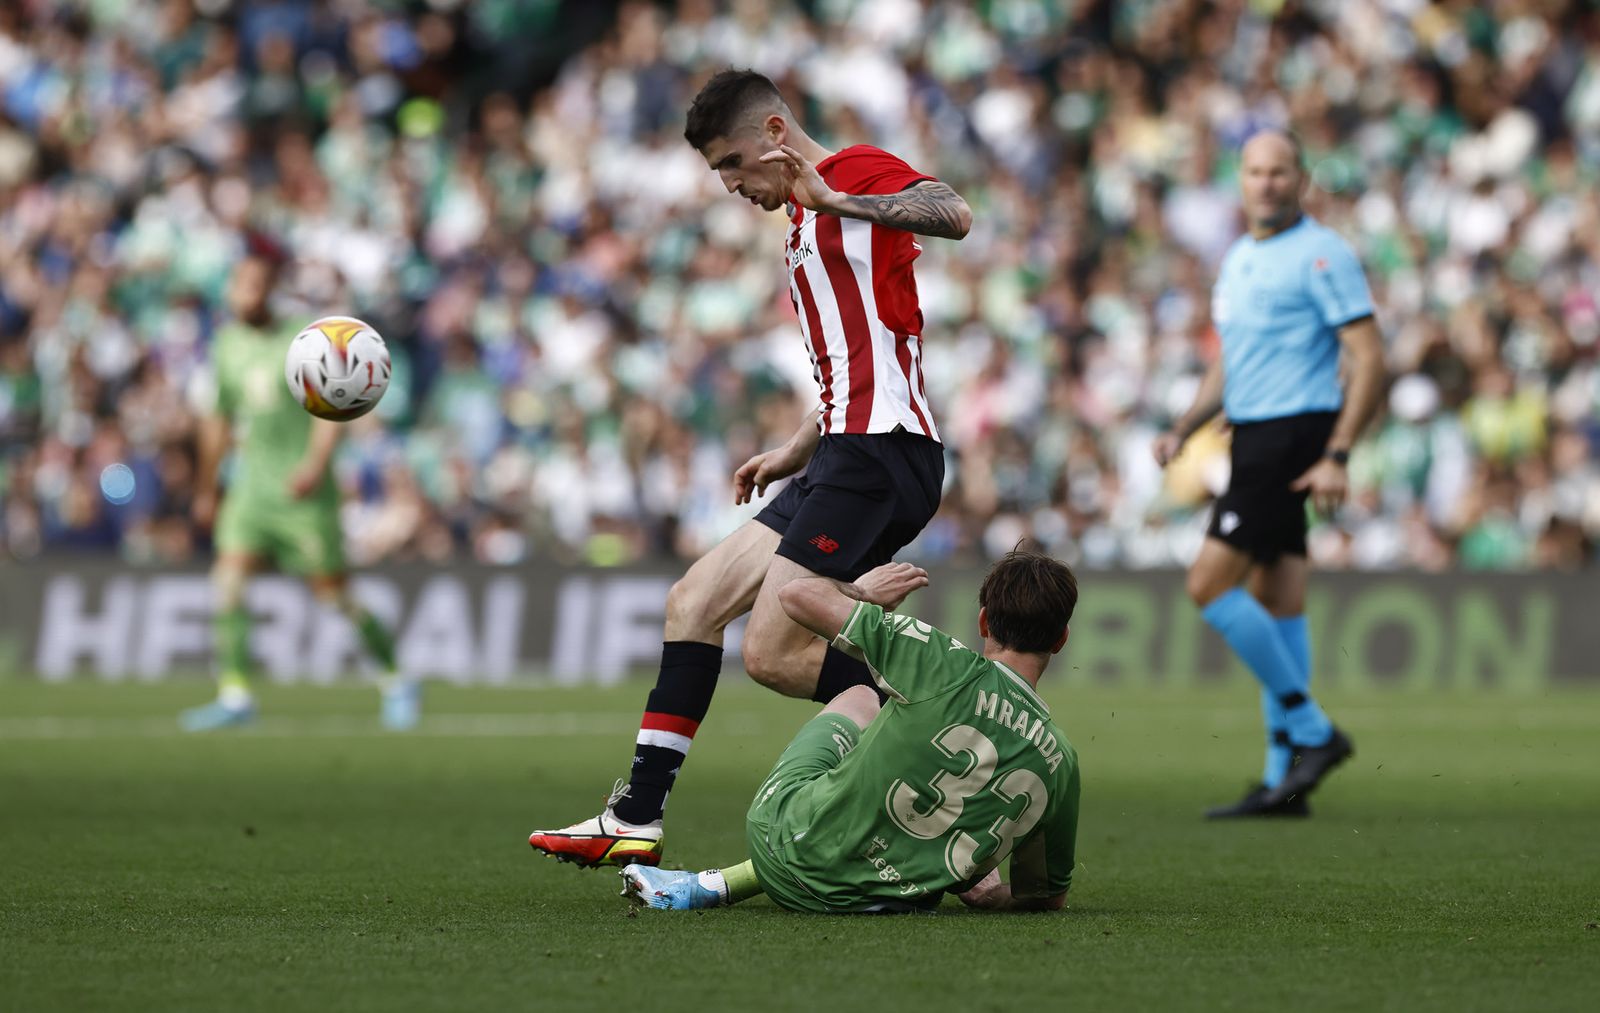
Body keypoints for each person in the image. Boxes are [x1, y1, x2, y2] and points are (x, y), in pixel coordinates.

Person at [528, 69, 972, 866]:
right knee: (693, 600)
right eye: (717, 172)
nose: (730, 184)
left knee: (773, 652)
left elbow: (955, 212)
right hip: (842, 447)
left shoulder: (850, 172)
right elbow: (859, 352)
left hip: (883, 452)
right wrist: (796, 445)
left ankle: (948, 733)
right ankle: (635, 817)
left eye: (732, 163)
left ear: (774, 134)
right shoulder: (803, 218)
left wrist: (841, 200)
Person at [618, 552, 1081, 914]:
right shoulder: (1061, 760)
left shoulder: (943, 661)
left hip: (784, 851)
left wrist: (862, 591)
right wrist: (989, 894)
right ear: (1061, 639)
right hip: (898, 901)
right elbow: (1045, 896)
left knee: (861, 697)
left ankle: (721, 881)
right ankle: (721, 884)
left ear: (983, 622)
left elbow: (795, 595)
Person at [1153, 130, 1386, 818]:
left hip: (1290, 434)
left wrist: (1337, 453)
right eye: (1255, 171)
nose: (1267, 183)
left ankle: (1313, 731)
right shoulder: (1239, 257)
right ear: (1241, 179)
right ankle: (1285, 777)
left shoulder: (1322, 252)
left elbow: (1370, 357)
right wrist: (1186, 426)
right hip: (1255, 430)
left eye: (1279, 171)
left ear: (1301, 178)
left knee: (1207, 585)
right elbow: (1232, 359)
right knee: (1278, 598)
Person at [181, 240, 415, 732]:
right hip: (251, 490)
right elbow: (218, 420)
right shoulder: (225, 345)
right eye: (240, 284)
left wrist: (314, 464)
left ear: (270, 290)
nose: (245, 293)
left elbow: (331, 403)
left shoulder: (302, 339)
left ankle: (396, 679)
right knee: (228, 582)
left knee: (334, 595)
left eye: (255, 285)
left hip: (303, 493)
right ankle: (236, 694)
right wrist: (207, 486)